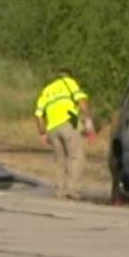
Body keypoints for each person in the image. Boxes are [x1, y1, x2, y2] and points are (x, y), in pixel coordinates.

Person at [34, 68, 95, 200]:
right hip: (68, 123)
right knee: (76, 157)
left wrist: (42, 133)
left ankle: (59, 191)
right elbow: (82, 103)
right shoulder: (69, 83)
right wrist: (88, 124)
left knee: (59, 161)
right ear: (69, 76)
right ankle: (73, 191)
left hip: (52, 128)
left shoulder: (47, 90)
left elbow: (38, 115)